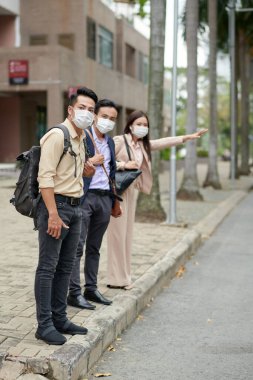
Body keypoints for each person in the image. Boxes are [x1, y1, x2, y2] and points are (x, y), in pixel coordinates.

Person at [106, 110, 208, 289]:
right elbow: (107, 161)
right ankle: (116, 280)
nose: (142, 128)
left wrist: (188, 137)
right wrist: (123, 165)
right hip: (118, 192)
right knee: (117, 236)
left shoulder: (142, 145)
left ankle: (124, 276)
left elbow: (162, 142)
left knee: (127, 236)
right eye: (139, 124)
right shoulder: (119, 141)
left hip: (132, 191)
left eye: (145, 125)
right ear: (130, 125)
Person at [35, 86, 98, 345]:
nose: (87, 113)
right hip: (57, 207)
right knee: (48, 267)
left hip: (76, 207)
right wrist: (51, 214)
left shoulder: (81, 138)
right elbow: (45, 177)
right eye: (82, 108)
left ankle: (60, 318)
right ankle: (44, 325)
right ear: (70, 110)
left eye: (91, 110)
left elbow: (71, 171)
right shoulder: (57, 135)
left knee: (66, 266)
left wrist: (86, 171)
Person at [68, 99, 123, 309]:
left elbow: (112, 170)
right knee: (77, 247)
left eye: (112, 119)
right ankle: (73, 292)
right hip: (85, 196)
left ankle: (90, 289)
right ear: (95, 116)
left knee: (95, 247)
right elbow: (71, 163)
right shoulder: (82, 136)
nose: (108, 122)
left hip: (104, 198)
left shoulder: (109, 141)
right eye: (104, 117)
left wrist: (115, 199)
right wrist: (91, 162)